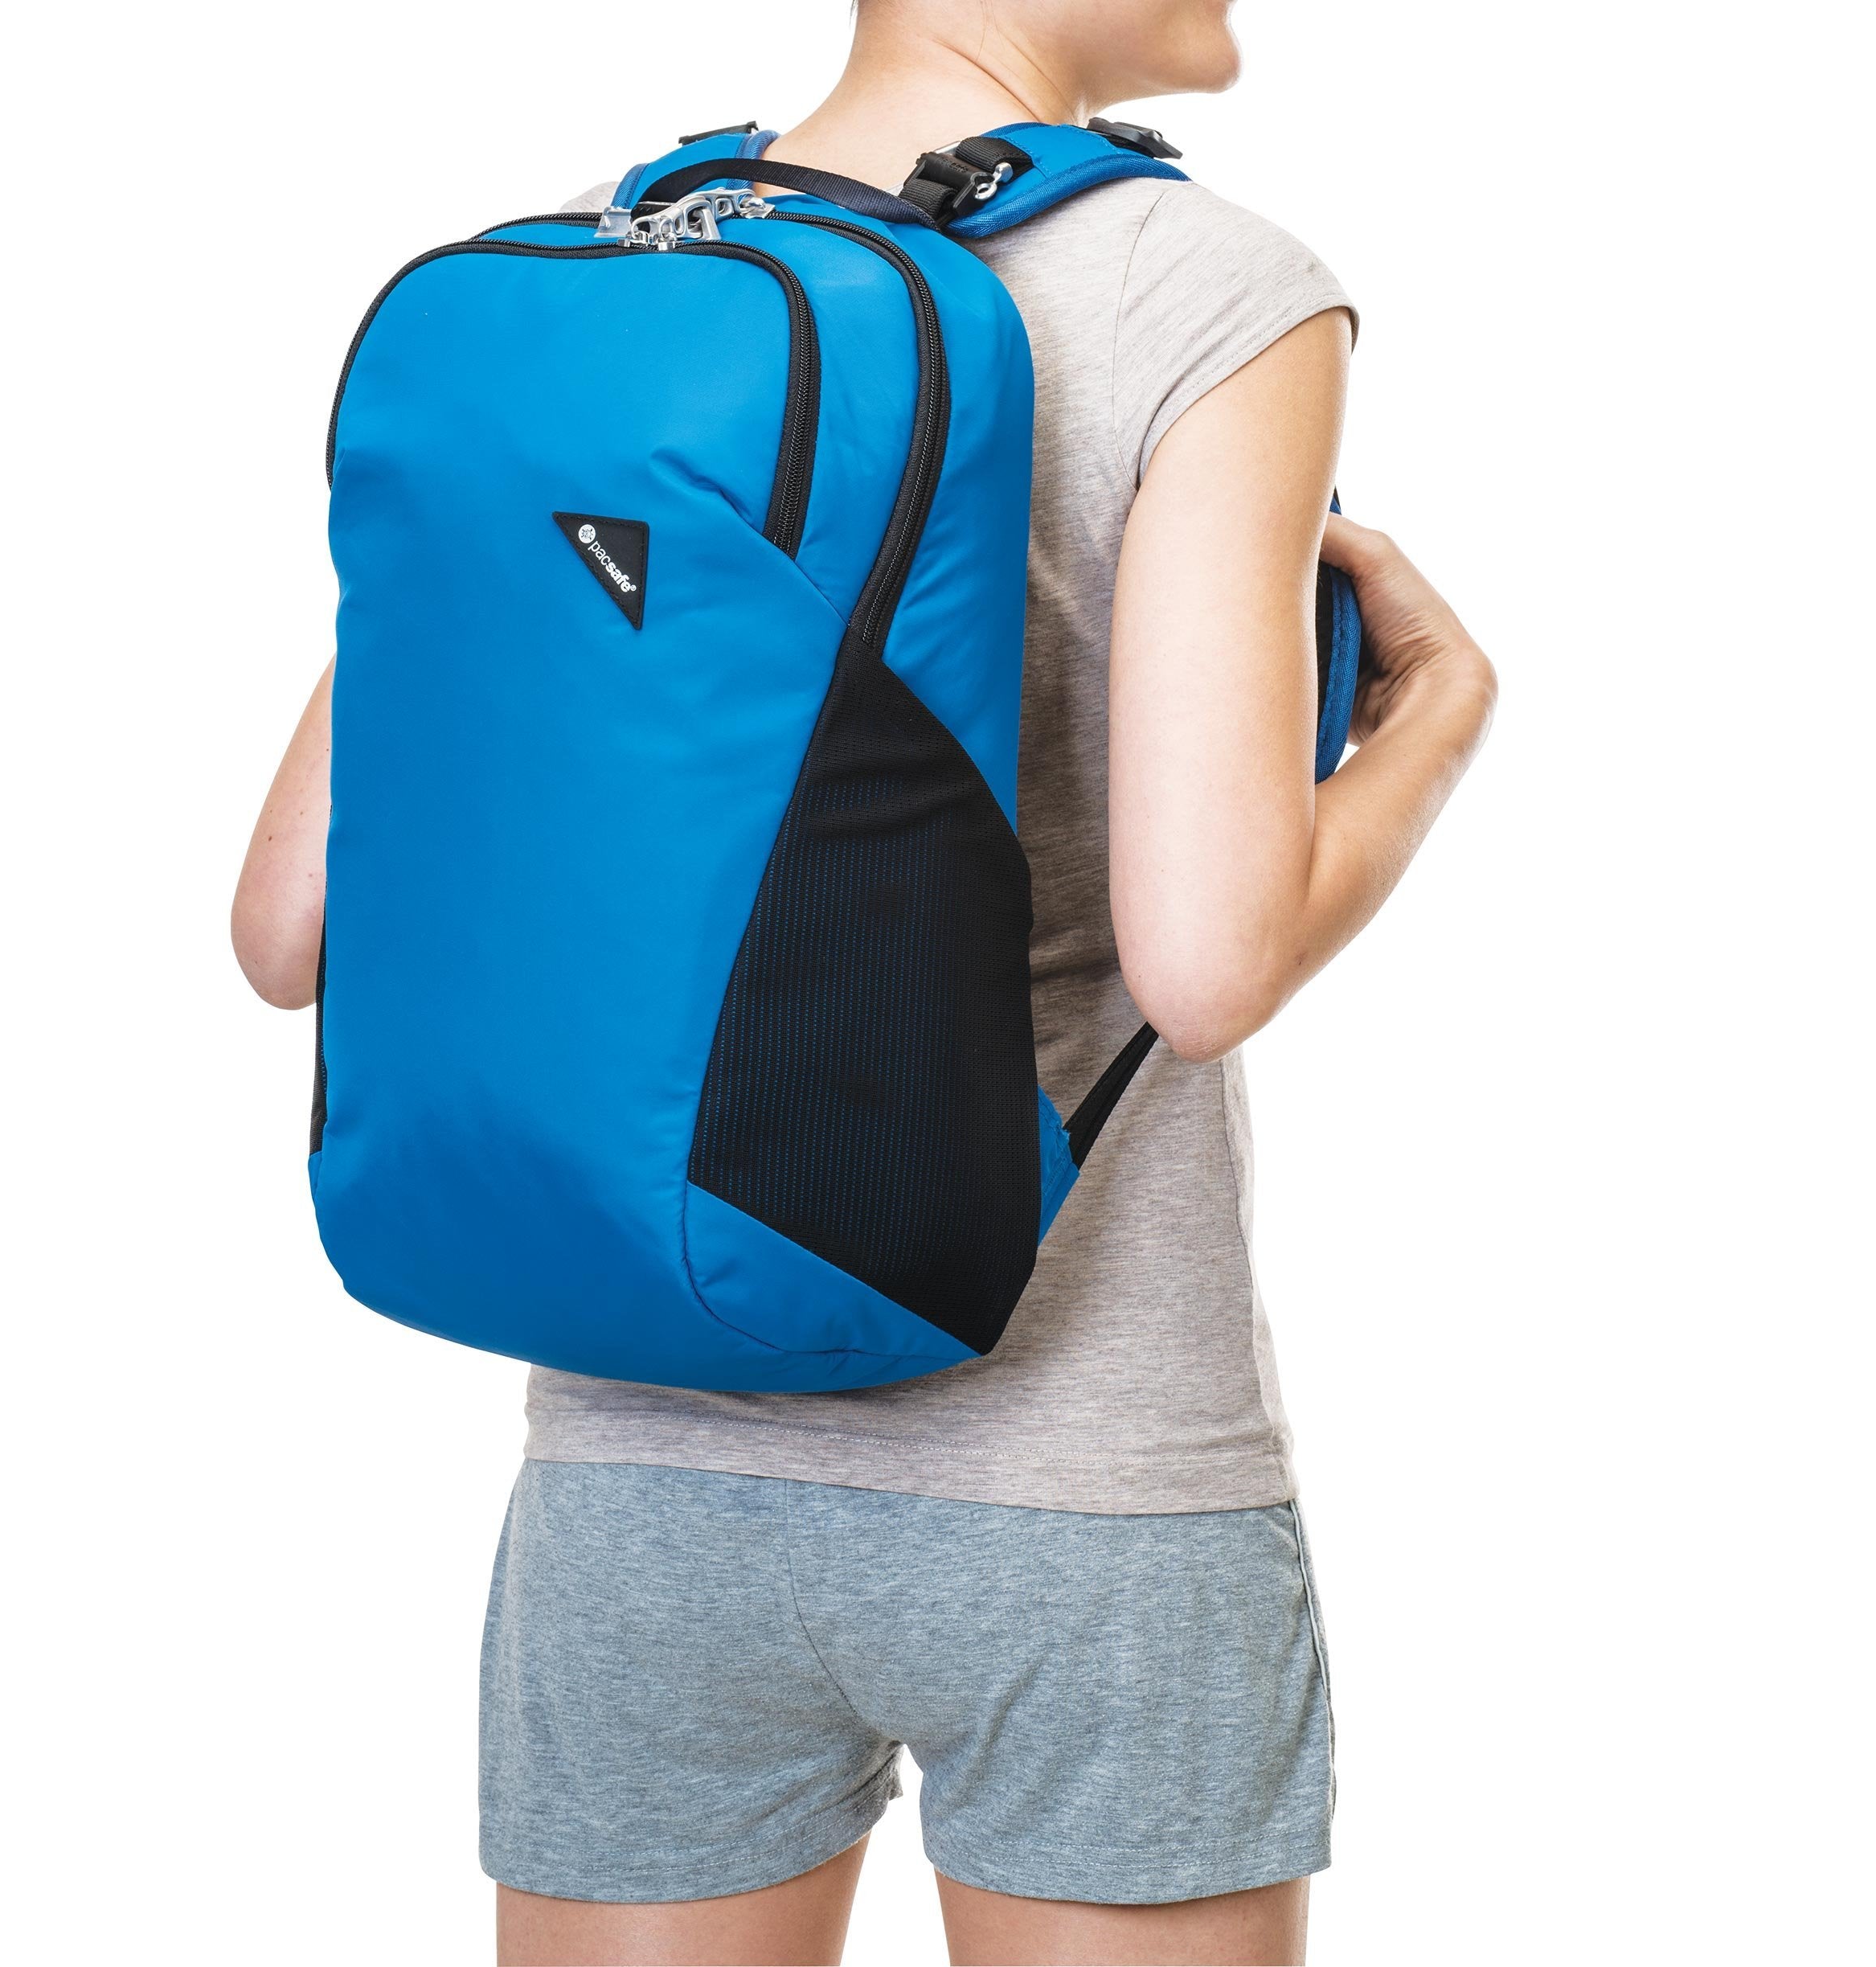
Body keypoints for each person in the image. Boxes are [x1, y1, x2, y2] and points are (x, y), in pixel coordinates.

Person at [233, 1, 1496, 1960]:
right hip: (1077, 1479)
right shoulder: (1203, 285)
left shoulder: (606, 270)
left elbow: (283, 928)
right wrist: (1434, 721)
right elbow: (1204, 958)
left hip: (630, 1466)